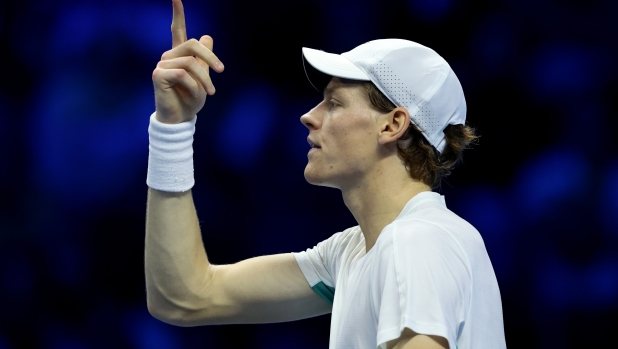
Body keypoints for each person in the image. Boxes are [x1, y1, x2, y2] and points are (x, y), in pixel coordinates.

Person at [144, 0, 507, 348]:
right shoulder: (353, 253)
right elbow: (184, 297)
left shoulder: (415, 241)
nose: (309, 116)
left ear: (393, 124)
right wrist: (172, 127)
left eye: (334, 103)